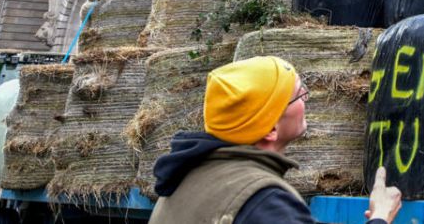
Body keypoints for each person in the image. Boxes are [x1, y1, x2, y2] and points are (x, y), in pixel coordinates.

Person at [149, 56, 402, 224]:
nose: (306, 98)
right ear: (270, 128)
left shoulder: (187, 179)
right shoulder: (264, 202)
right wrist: (381, 215)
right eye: (296, 95)